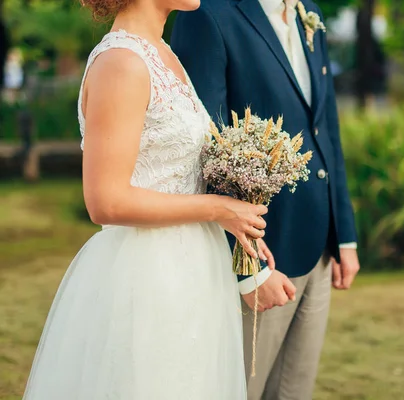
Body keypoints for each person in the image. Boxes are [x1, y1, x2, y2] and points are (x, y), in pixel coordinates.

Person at [22, 0, 267, 398]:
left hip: (197, 267)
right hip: (149, 274)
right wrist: (217, 209)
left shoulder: (163, 52)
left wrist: (237, 219)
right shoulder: (121, 62)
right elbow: (106, 201)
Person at [172, 1, 361, 398]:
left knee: (294, 391)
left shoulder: (311, 13)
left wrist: (344, 234)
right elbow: (200, 149)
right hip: (259, 252)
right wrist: (249, 269)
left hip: (320, 249)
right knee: (238, 389)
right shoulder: (207, 14)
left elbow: (326, 129)